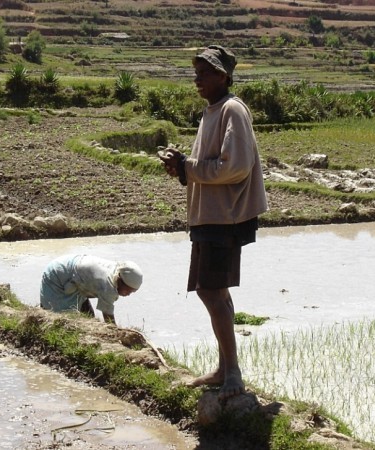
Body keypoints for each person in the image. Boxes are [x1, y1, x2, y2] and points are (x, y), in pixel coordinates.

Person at [159, 45, 268, 400]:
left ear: (224, 76)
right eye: (197, 72)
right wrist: (183, 167)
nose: (198, 79)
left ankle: (232, 372)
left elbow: (234, 166)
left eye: (205, 73)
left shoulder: (232, 110)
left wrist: (188, 168)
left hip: (224, 217)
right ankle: (225, 368)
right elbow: (207, 164)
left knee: (209, 291)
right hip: (210, 214)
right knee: (216, 291)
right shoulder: (212, 112)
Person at [40, 254, 143, 325]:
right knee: (60, 318)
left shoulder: (116, 271)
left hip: (74, 274)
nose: (129, 294)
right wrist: (117, 337)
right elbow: (109, 319)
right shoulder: (108, 285)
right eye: (128, 290)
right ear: (120, 280)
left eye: (132, 292)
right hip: (57, 275)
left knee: (88, 318)